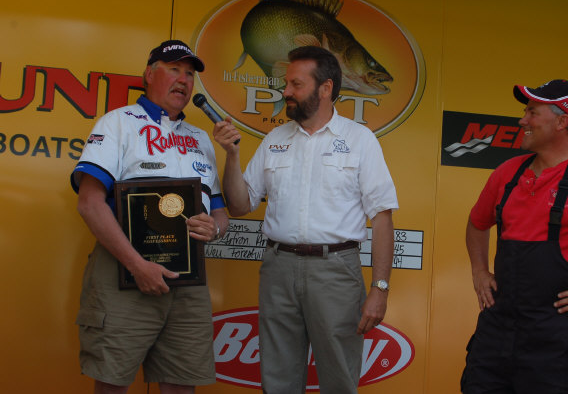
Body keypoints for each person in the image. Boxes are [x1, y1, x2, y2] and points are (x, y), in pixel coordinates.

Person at [213, 45, 398, 394]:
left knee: (339, 379)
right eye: (287, 84)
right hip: (278, 269)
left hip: (336, 271)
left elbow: (382, 217)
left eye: (296, 84)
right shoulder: (275, 139)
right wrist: (232, 155)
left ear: (325, 88)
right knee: (278, 379)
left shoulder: (360, 140)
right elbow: (239, 206)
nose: (286, 91)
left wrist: (380, 288)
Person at [70, 40, 229, 394]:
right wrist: (137, 265)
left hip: (188, 281)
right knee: (112, 382)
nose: (184, 80)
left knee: (181, 385)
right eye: (174, 69)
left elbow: (219, 213)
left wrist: (214, 229)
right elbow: (90, 203)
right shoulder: (118, 123)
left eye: (189, 74)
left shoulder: (201, 138)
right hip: (124, 272)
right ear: (149, 74)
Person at [461, 79, 568, 394]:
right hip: (497, 338)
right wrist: (479, 271)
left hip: (564, 344)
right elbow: (477, 223)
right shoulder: (507, 173)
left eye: (532, 112)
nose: (522, 121)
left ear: (562, 122)